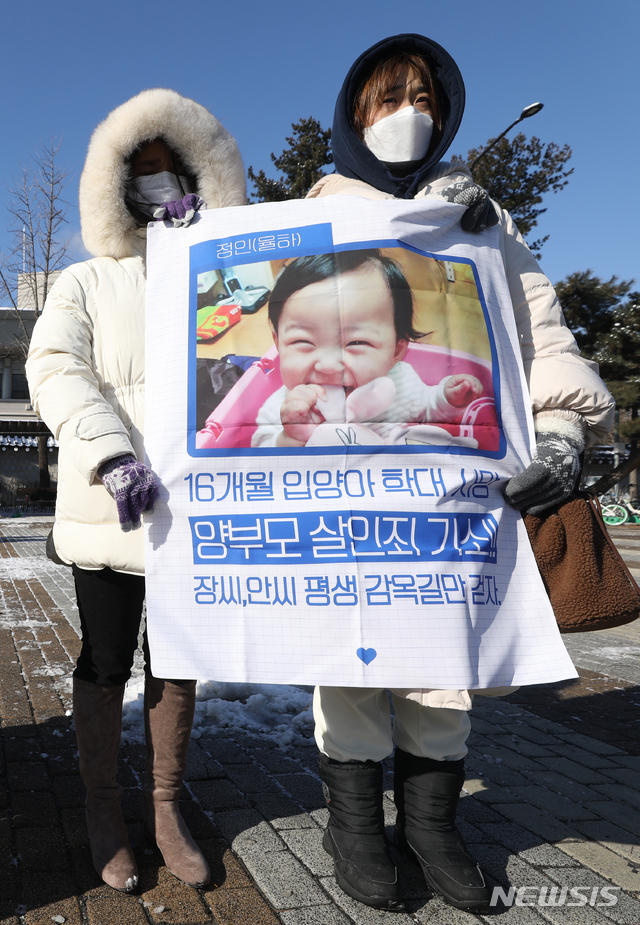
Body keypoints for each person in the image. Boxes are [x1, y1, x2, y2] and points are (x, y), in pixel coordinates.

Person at [304, 34, 615, 912]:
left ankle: (433, 824)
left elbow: (541, 333)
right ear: (356, 114)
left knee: (447, 655)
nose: (410, 115)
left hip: (455, 486)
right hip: (345, 487)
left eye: (426, 100)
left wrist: (562, 430)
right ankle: (353, 822)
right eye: (391, 98)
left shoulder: (482, 222)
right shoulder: (314, 215)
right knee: (352, 652)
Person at [26, 89, 246, 893]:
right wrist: (111, 454)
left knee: (178, 658)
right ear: (117, 187)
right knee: (107, 656)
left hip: (195, 511)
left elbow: (260, 367)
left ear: (197, 177)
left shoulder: (224, 279)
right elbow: (54, 366)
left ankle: (162, 804)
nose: (158, 184)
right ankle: (102, 808)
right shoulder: (85, 280)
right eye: (142, 171)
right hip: (111, 506)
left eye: (171, 169)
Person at [252, 249, 483, 448]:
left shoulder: (401, 383)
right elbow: (262, 455)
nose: (328, 366)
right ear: (278, 343)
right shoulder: (281, 408)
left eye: (356, 343)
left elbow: (427, 412)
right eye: (303, 342)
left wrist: (447, 399)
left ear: (395, 351)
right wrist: (289, 438)